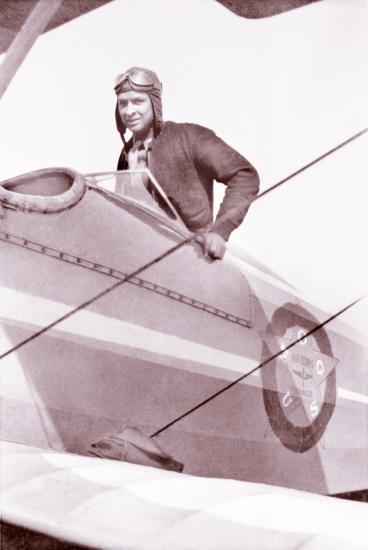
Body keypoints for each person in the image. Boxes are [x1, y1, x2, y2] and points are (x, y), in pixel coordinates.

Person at [114, 67, 259, 259]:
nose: (129, 111)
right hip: (145, 257)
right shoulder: (127, 154)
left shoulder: (190, 137)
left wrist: (219, 231)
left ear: (154, 103)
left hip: (193, 255)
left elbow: (244, 175)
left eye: (138, 101)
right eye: (123, 103)